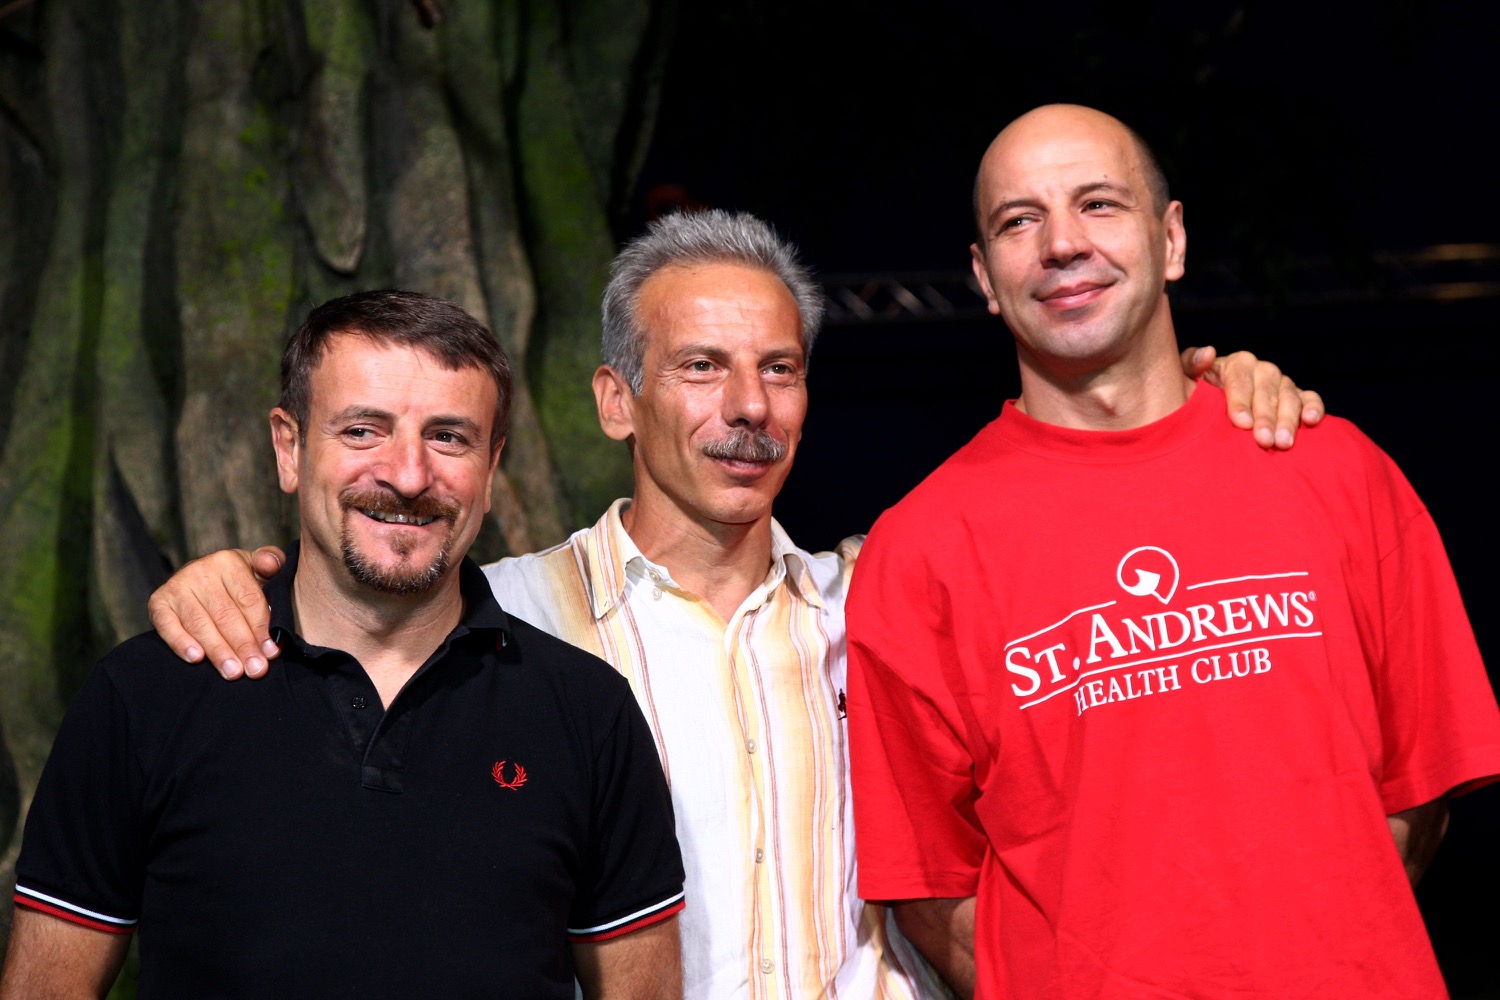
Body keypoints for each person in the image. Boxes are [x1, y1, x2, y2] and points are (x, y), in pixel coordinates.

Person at [143, 212, 1321, 998]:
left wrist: (1199, 392)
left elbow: (1108, 550)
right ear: (618, 400)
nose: (746, 406)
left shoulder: (882, 601)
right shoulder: (506, 623)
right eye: (700, 367)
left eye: (780, 367)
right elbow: (358, 582)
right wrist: (227, 580)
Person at [845, 104, 1500, 1000]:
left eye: (1100, 204)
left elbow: (1420, 783)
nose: (1062, 244)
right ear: (985, 277)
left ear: (1172, 238)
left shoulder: (1332, 468)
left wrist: (1309, 951)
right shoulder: (920, 552)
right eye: (1019, 220)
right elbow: (929, 886)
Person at [0, 291, 685, 999]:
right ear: (289, 448)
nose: (408, 475)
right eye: (363, 431)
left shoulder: (587, 712)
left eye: (450, 437)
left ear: (491, 466)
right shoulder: (145, 695)